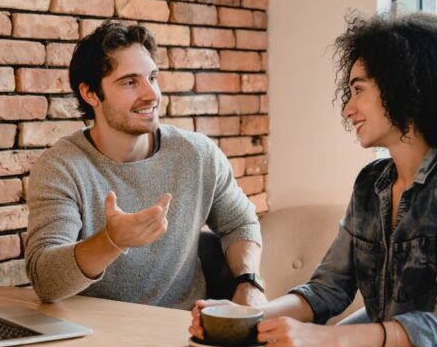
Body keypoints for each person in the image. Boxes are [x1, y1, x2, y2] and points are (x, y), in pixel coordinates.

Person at [190, 10, 437, 347]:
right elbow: (326, 291)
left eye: (358, 90)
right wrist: (242, 319)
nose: (347, 109)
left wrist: (331, 339)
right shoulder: (370, 183)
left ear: (404, 88)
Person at [25, 20, 266, 309]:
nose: (151, 94)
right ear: (90, 94)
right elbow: (45, 281)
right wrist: (111, 241)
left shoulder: (198, 154)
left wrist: (249, 281)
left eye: (152, 77)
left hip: (183, 331)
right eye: (130, 82)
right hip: (94, 339)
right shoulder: (61, 168)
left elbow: (239, 223)